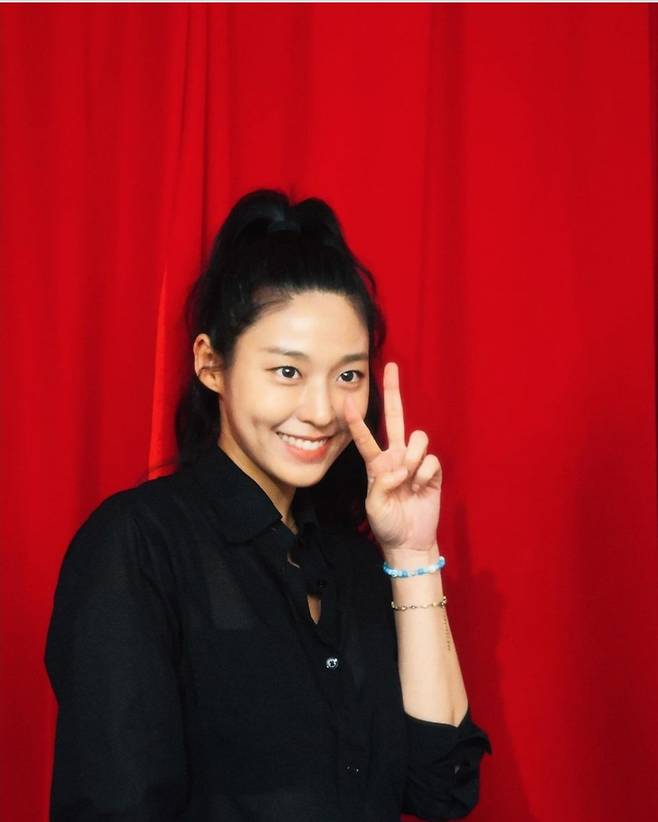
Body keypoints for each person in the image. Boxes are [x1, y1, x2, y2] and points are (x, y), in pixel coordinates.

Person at [44, 188, 492, 821]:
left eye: (348, 375)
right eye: (288, 371)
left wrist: (414, 553)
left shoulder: (351, 563)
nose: (322, 410)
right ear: (211, 365)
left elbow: (441, 787)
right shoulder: (137, 546)